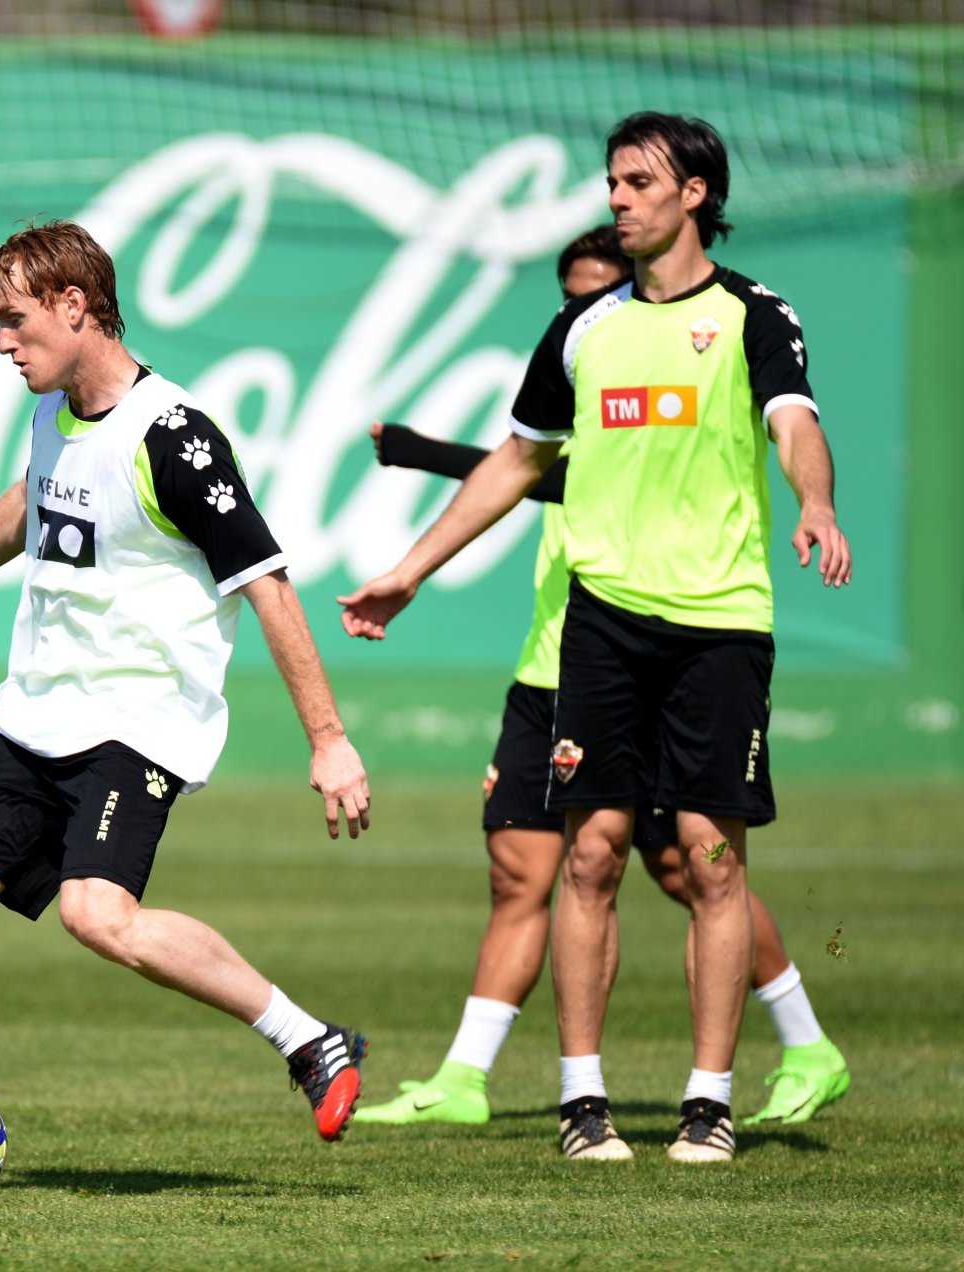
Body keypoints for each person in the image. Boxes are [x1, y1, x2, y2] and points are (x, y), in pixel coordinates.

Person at [339, 114, 852, 1163]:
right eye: (610, 182)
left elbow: (793, 421)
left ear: (694, 194)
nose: (616, 198)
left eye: (636, 182)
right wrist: (407, 570)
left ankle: (707, 1103)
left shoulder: (754, 314)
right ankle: (583, 1104)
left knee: (710, 863)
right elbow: (513, 463)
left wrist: (815, 503)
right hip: (601, 625)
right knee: (590, 856)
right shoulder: (581, 328)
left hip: (717, 625)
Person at [0, 221, 373, 1201]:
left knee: (97, 914)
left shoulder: (172, 436)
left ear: (72, 307)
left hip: (137, 721)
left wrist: (328, 740)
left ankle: (308, 1038)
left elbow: (267, 584)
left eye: (12, 321)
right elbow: (33, 498)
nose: (1, 343)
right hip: (36, 708)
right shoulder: (52, 410)